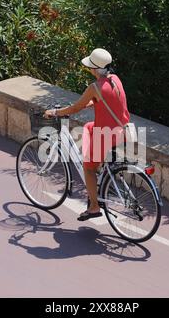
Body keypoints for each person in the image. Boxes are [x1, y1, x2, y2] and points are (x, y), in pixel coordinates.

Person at [44, 48, 130, 221]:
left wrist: (55, 112)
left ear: (94, 69)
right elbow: (110, 99)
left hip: (106, 135)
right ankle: (100, 165)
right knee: (89, 127)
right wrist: (93, 103)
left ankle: (93, 207)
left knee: (88, 168)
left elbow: (75, 108)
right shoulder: (115, 79)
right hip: (122, 130)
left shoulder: (94, 87)